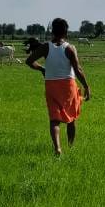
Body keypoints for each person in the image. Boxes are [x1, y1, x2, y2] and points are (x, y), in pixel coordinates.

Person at [25, 18, 91, 156]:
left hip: (51, 85)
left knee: (54, 120)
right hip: (68, 86)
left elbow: (29, 61)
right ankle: (71, 146)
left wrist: (42, 69)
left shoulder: (45, 47)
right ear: (66, 31)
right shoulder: (70, 48)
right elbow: (78, 69)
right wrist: (86, 86)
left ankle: (57, 148)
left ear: (53, 31)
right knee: (71, 118)